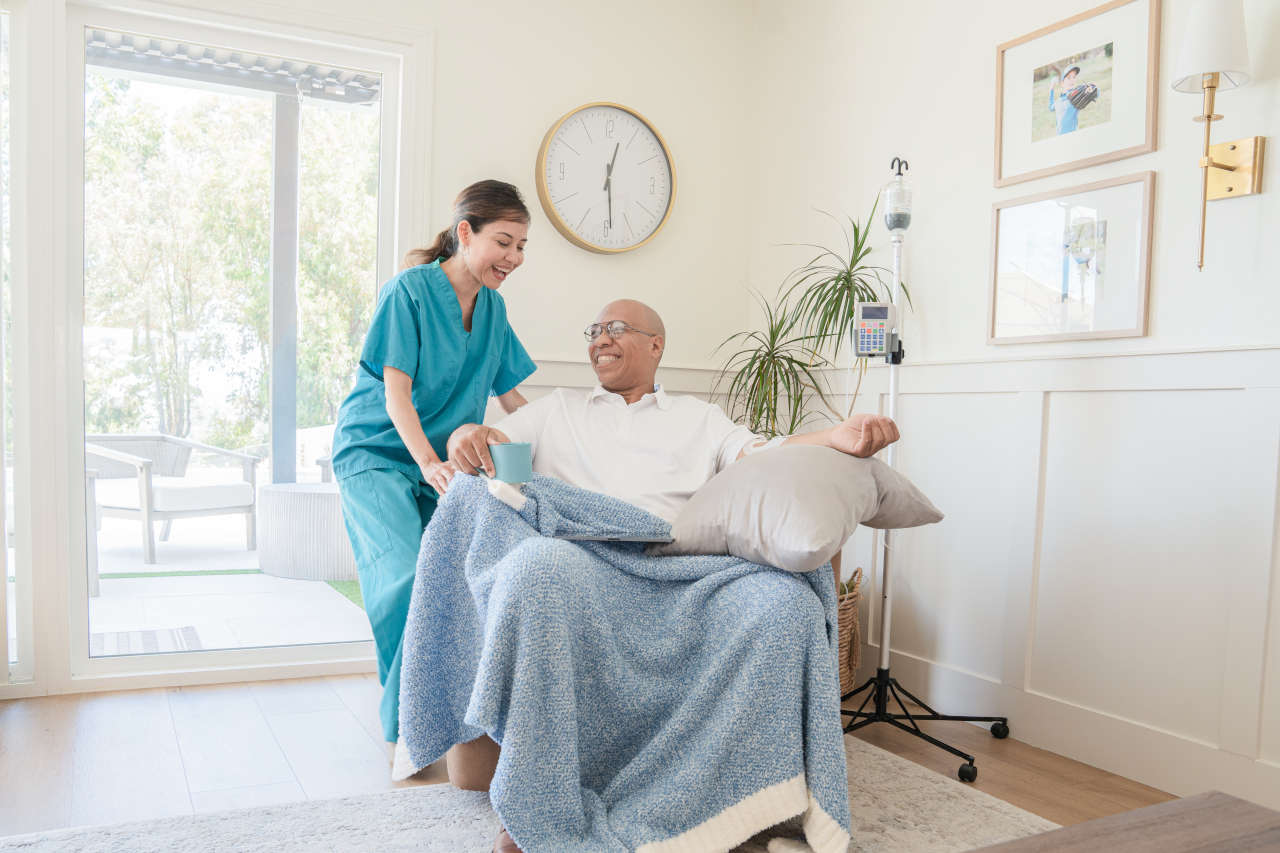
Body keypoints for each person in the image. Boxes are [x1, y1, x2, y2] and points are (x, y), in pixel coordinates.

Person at [439, 298, 899, 853]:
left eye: (615, 329)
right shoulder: (556, 409)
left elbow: (763, 452)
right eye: (593, 331)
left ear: (656, 345)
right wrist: (468, 434)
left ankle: (751, 802)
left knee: (786, 604)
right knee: (538, 568)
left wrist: (836, 437)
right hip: (584, 563)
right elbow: (487, 444)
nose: (599, 339)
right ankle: (540, 806)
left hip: (681, 570)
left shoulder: (699, 418)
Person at [330, 179, 537, 752]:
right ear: (465, 233)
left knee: (446, 585)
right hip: (377, 453)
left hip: (444, 465)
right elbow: (397, 394)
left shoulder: (493, 309)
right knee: (400, 581)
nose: (514, 258)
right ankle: (410, 729)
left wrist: (573, 431)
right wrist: (427, 463)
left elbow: (516, 399)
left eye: (521, 246)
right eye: (504, 242)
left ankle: (436, 722)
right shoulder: (410, 293)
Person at [1048, 65, 1082, 135]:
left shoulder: (1075, 95)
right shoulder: (1059, 101)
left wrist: (1091, 89)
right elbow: (1051, 107)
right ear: (1062, 83)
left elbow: (1095, 93)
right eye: (1069, 78)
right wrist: (1051, 89)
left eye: (1074, 77)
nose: (1072, 80)